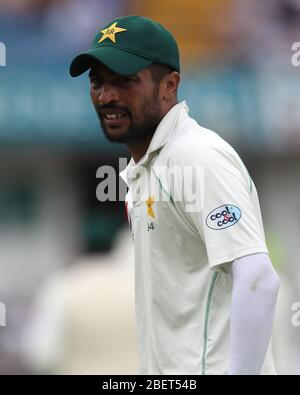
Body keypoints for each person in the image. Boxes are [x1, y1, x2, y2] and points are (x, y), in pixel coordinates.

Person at [69, 15, 280, 375]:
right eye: (97, 82)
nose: (107, 96)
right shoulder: (149, 168)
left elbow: (259, 276)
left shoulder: (196, 155)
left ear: (170, 85)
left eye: (124, 81)